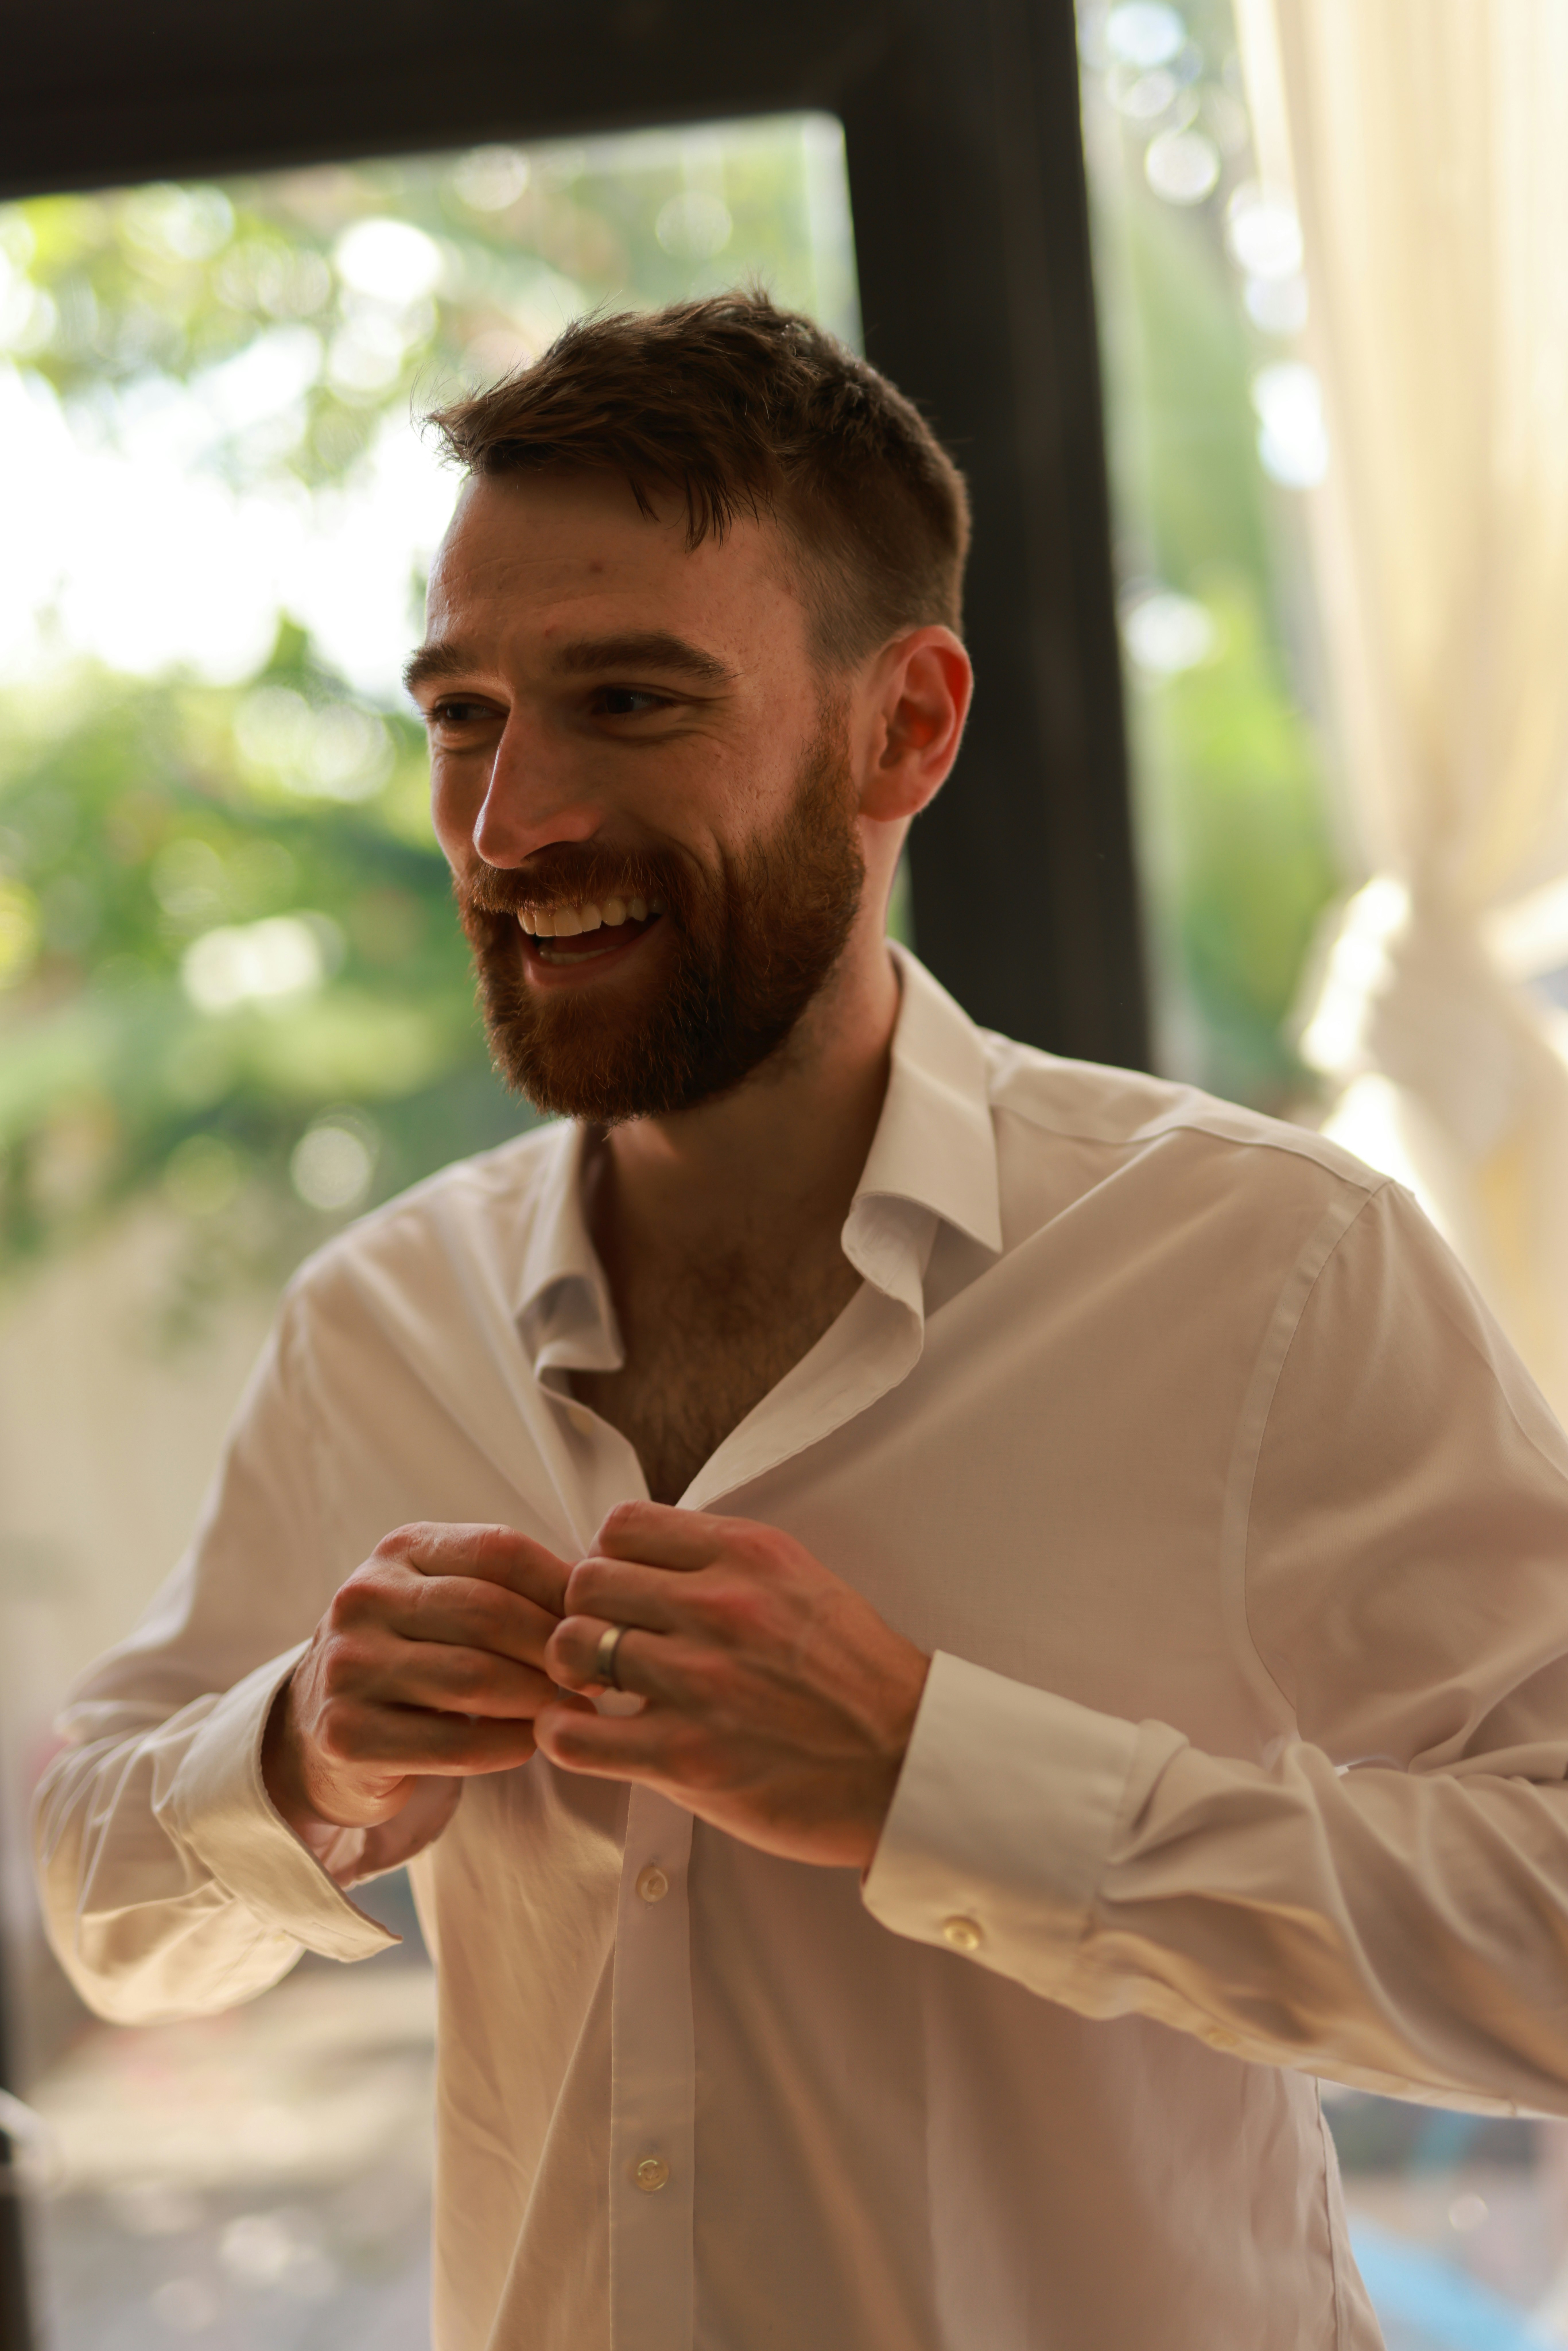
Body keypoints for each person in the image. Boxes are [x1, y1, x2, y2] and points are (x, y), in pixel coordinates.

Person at [33, 292, 1568, 2351]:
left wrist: (934, 1776)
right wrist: (295, 1757)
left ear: (904, 730)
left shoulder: (1269, 1273)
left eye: (630, 702)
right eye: (466, 713)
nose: (509, 828)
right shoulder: (377, 1322)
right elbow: (106, 1912)